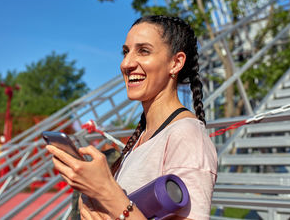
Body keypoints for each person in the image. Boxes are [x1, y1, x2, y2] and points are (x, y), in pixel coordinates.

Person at [46, 15, 218, 219]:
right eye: (126, 52)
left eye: (144, 51)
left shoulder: (187, 136)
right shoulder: (142, 137)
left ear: (176, 63)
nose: (126, 63)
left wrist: (105, 191)